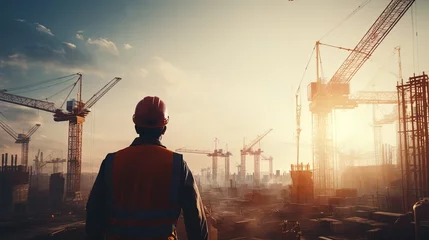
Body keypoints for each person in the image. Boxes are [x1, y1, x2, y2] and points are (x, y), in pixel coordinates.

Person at [85, 96, 209, 240]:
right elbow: (195, 218)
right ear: (164, 129)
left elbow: (94, 212)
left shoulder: (112, 162)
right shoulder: (177, 163)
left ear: (136, 126)